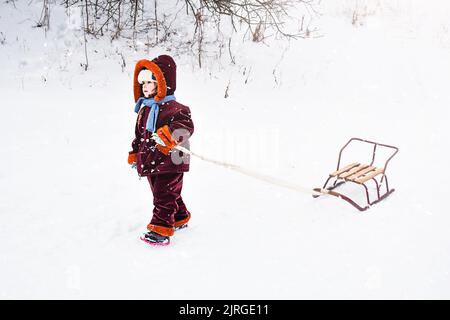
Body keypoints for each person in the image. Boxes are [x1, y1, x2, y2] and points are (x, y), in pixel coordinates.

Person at [128, 55, 194, 246]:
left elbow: (186, 127)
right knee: (165, 193)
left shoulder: (176, 108)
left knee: (163, 196)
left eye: (150, 82)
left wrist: (171, 134)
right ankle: (180, 216)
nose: (145, 86)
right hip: (151, 158)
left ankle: (161, 229)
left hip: (173, 159)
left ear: (163, 83)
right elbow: (139, 134)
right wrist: (135, 152)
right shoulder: (145, 109)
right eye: (143, 82)